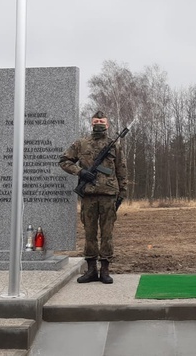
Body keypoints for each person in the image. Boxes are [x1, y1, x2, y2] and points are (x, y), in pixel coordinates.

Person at [59, 110, 128, 284]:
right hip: (88, 195)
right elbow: (64, 161)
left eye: (102, 121)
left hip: (108, 195)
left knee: (107, 234)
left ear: (107, 124)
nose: (99, 123)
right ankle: (91, 270)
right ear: (92, 123)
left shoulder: (114, 146)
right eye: (96, 120)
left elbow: (121, 169)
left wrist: (122, 192)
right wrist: (81, 172)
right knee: (90, 234)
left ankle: (105, 270)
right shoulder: (81, 143)